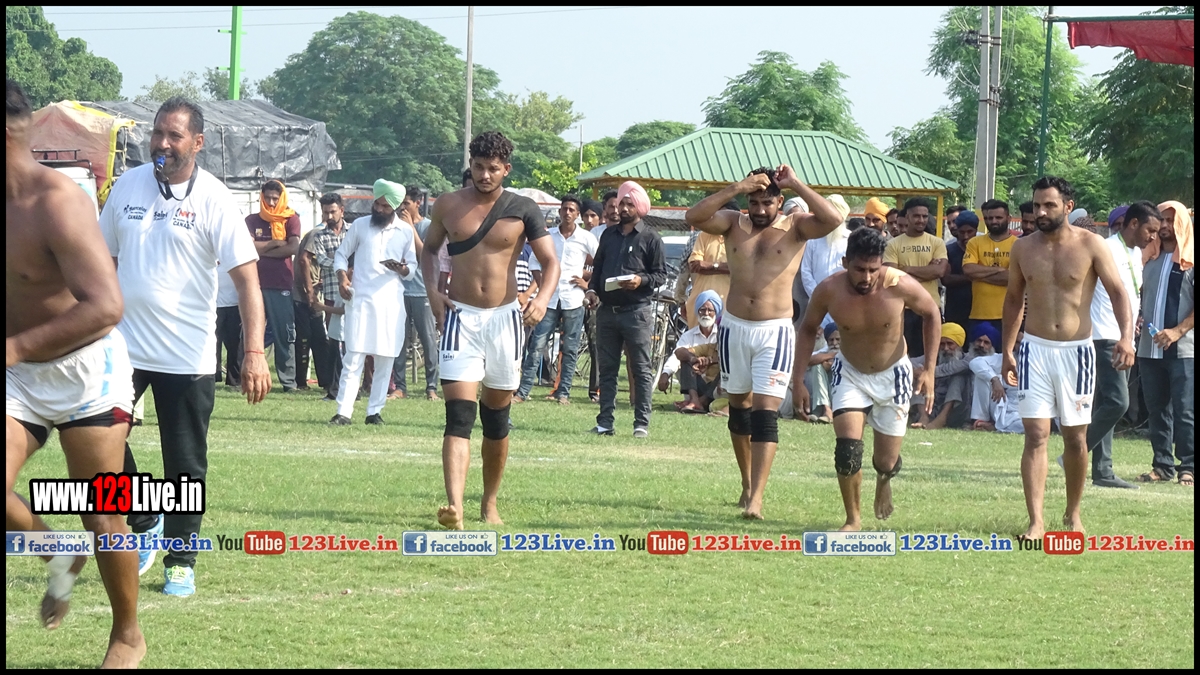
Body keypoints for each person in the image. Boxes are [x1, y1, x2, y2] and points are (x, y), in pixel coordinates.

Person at [101, 96, 271, 596]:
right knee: (99, 440)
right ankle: (143, 518)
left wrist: (254, 352)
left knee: (184, 464)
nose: (162, 143)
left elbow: (247, 282)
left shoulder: (215, 198)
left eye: (174, 136)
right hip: (123, 348)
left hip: (187, 355)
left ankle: (181, 560)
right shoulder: (127, 186)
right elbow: (102, 260)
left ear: (197, 142)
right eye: (157, 133)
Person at [6, 78, 146, 667]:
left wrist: (15, 347)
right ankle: (59, 556)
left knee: (104, 510)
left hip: (90, 370)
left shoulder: (58, 202)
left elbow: (106, 306)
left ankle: (127, 635)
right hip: (21, 376)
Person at [685, 165, 843, 518]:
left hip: (775, 331)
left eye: (766, 203)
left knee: (764, 413)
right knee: (738, 408)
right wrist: (735, 187)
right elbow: (692, 216)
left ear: (779, 201)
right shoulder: (731, 222)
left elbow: (832, 219)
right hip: (734, 327)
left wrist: (797, 183)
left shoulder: (796, 225)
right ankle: (746, 483)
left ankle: (757, 497)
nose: (759, 210)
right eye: (753, 202)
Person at [422, 131, 560, 529]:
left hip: (505, 320)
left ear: (506, 169)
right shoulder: (448, 204)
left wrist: (542, 298)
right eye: (479, 167)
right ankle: (454, 507)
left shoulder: (523, 208)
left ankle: (489, 502)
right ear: (470, 165)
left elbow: (550, 262)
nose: (485, 175)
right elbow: (429, 250)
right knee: (458, 416)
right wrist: (433, 292)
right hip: (460, 318)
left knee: (496, 419)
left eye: (493, 169)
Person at [1001, 175, 1134, 540]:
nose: (1040, 212)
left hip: (1077, 353)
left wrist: (1126, 338)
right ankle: (1036, 521)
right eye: (1037, 205)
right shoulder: (1022, 248)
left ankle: (1073, 512)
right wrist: (1008, 350)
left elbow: (1118, 293)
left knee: (1075, 439)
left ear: (1068, 206)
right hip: (1034, 350)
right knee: (1036, 435)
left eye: (1049, 205)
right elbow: (1013, 299)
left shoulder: (1092, 244)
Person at [794, 227, 941, 531]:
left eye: (874, 269)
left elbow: (931, 313)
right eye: (859, 269)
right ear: (845, 262)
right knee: (848, 449)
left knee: (886, 461)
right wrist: (797, 380)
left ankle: (884, 479)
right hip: (850, 372)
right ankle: (853, 519)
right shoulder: (829, 289)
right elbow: (807, 328)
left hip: (893, 374)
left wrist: (929, 368)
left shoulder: (899, 284)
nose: (867, 277)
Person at [1078, 200, 1161, 489]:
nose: (1153, 237)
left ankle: (1103, 471)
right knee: (1118, 402)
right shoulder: (1106, 248)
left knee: (1105, 402)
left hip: (1122, 336)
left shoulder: (1135, 252)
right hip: (1105, 336)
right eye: (1150, 230)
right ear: (1133, 223)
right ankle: (1075, 453)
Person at [328, 180, 417, 425]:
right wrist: (342, 279)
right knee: (354, 356)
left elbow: (412, 269)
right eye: (377, 204)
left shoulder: (405, 231)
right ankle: (343, 412)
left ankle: (374, 412)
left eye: (385, 206)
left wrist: (401, 268)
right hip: (360, 301)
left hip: (390, 304)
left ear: (396, 207)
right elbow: (341, 255)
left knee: (385, 358)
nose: (379, 209)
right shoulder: (359, 226)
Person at [583, 180, 666, 438]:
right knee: (607, 369)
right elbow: (598, 268)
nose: (624, 208)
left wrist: (641, 280)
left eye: (630, 204)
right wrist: (592, 291)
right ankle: (605, 422)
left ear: (640, 207)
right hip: (607, 311)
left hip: (636, 312)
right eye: (622, 203)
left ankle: (641, 423)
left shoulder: (651, 237)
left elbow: (660, 275)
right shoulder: (608, 235)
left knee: (640, 369)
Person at [514, 194, 598, 404]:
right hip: (550, 299)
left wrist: (588, 285)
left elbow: (601, 262)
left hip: (573, 299)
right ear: (559, 211)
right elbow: (534, 261)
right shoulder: (549, 235)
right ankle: (523, 392)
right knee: (536, 345)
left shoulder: (586, 238)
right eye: (564, 209)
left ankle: (564, 393)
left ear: (577, 215)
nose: (567, 213)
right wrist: (542, 285)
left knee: (570, 348)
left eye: (572, 210)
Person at [1135, 200, 1193, 486]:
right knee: (1156, 410)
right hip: (1148, 349)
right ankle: (1162, 466)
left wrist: (1177, 331)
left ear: (1181, 223)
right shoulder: (1148, 259)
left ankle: (1189, 467)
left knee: (1185, 410)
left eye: (1171, 220)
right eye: (1162, 220)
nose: (1165, 226)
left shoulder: (1190, 260)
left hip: (1184, 350)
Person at [245, 180, 302, 392]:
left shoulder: (291, 218)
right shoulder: (251, 220)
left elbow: (292, 248)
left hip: (281, 284)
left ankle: (288, 382)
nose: (270, 202)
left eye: (275, 199)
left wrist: (261, 250)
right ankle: (247, 377)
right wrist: (275, 243)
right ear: (261, 197)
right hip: (254, 283)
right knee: (250, 332)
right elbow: (247, 247)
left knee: (284, 334)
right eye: (267, 198)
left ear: (282, 198)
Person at [392, 186, 441, 400]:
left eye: (406, 203)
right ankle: (399, 387)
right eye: (400, 204)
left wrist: (411, 227)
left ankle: (431, 387)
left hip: (422, 291)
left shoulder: (428, 226)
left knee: (428, 340)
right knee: (399, 340)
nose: (402, 208)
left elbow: (425, 256)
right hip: (400, 291)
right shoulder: (395, 227)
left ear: (418, 203)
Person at [884, 197, 948, 358]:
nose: (921, 220)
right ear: (907, 217)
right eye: (916, 216)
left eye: (924, 216)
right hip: (902, 309)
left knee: (929, 357)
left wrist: (905, 269)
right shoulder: (893, 244)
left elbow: (940, 271)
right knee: (901, 356)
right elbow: (891, 277)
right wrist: (927, 270)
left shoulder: (937, 243)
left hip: (930, 307)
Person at [310, 193, 350, 401]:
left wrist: (337, 260)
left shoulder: (353, 232)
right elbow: (321, 260)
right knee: (334, 343)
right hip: (332, 294)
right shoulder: (319, 236)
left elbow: (358, 259)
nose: (329, 216)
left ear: (341, 210)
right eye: (325, 212)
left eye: (332, 211)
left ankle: (353, 387)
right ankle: (334, 388)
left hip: (353, 293)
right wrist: (344, 264)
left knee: (353, 344)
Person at [963, 199, 1016, 337]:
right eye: (989, 218)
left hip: (1009, 314)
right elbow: (968, 270)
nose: (993, 221)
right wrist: (999, 270)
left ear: (1009, 218)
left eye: (998, 217)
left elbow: (1013, 277)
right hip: (978, 314)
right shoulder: (975, 242)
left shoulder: (1018, 244)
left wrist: (979, 274)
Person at [799, 194, 852, 325]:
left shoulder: (851, 240)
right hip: (816, 304)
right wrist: (818, 295)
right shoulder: (813, 239)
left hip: (844, 303)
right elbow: (806, 271)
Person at [294, 211, 332, 393]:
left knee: (318, 337)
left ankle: (325, 380)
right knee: (305, 337)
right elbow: (304, 260)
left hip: (314, 292)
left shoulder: (327, 235)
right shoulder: (317, 233)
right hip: (303, 294)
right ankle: (300, 381)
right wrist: (309, 291)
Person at [909, 322, 972, 430]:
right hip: (932, 407)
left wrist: (928, 372)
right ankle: (923, 417)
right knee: (919, 374)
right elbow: (908, 363)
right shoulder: (932, 358)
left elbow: (949, 368)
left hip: (957, 410)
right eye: (942, 344)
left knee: (958, 377)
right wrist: (914, 371)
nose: (946, 348)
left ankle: (942, 419)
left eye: (950, 344)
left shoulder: (968, 359)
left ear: (959, 345)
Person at [968, 323, 1024, 434]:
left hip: (1030, 412)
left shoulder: (1042, 363)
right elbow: (975, 362)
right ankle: (981, 420)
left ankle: (994, 427)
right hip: (1006, 409)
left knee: (1032, 426)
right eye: (1018, 343)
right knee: (984, 375)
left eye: (1024, 343)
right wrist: (994, 380)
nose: (1021, 347)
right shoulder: (1009, 359)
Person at [579, 198, 606, 402]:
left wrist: (586, 281)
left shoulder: (601, 235)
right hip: (575, 296)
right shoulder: (579, 236)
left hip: (596, 296)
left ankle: (597, 388)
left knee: (597, 343)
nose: (589, 220)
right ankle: (558, 385)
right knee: (568, 342)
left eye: (593, 216)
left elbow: (599, 267)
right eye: (585, 216)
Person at [942, 210, 977, 328]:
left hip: (979, 310)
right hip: (955, 310)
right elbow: (946, 279)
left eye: (970, 232)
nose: (966, 236)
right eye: (962, 232)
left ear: (976, 231)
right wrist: (975, 276)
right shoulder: (949, 250)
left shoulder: (982, 249)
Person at [803, 323, 841, 424]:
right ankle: (826, 409)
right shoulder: (826, 350)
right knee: (817, 366)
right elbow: (808, 360)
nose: (834, 343)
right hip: (827, 393)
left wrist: (833, 365)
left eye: (837, 339)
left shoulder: (850, 351)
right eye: (831, 340)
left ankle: (824, 410)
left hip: (843, 394)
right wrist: (832, 355)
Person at [214, 267, 242, 387]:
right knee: (213, 344)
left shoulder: (235, 261)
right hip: (214, 306)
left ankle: (234, 379)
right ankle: (213, 376)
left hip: (234, 305)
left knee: (234, 344)